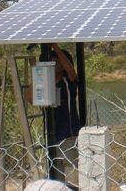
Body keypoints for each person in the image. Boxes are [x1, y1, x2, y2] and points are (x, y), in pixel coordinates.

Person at [50, 43, 81, 189]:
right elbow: (30, 98)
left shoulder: (68, 82)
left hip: (69, 137)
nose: (53, 64)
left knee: (72, 181)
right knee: (56, 182)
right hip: (52, 138)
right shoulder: (46, 85)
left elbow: (72, 72)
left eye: (56, 61)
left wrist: (55, 47)